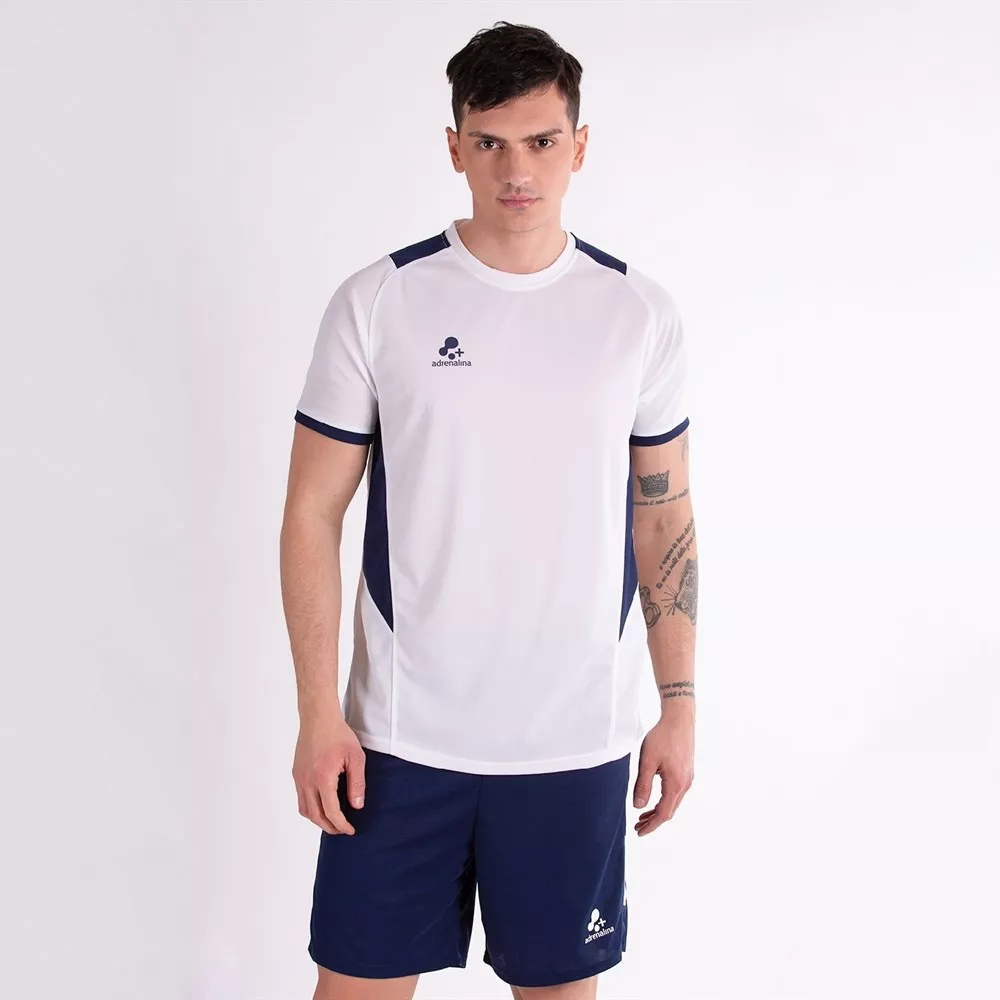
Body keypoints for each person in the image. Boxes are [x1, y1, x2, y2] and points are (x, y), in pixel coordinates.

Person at [279, 20, 698, 1000]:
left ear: (579, 146)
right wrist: (316, 715)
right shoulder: (380, 301)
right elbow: (310, 512)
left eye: (542, 141)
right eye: (490, 142)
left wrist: (677, 706)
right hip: (397, 740)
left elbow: (664, 516)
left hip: (573, 740)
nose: (517, 170)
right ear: (454, 146)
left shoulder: (637, 314)